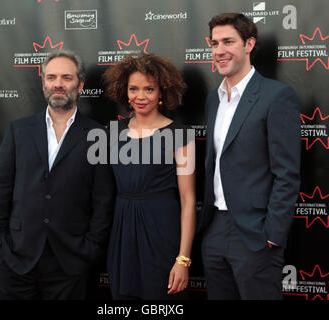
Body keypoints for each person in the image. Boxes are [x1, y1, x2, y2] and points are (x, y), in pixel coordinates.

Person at [0, 51, 115, 300]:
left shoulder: (97, 135)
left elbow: (103, 200)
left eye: (66, 77)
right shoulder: (18, 130)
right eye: (51, 77)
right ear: (43, 82)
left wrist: (90, 249)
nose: (58, 84)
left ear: (80, 84)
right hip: (15, 259)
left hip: (69, 263)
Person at [198, 13, 301, 300]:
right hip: (214, 228)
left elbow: (287, 173)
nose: (219, 50)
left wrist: (271, 234)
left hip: (255, 233)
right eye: (215, 43)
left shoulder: (276, 96)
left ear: (249, 44)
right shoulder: (213, 99)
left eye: (228, 41)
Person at [102, 53, 196, 299]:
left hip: (162, 229)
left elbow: (188, 201)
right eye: (134, 88)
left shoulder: (180, 136)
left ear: (162, 92)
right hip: (121, 233)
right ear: (125, 91)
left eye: (149, 89)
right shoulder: (111, 133)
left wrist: (183, 259)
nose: (140, 96)